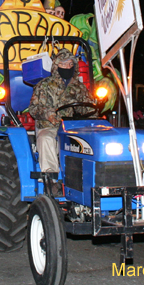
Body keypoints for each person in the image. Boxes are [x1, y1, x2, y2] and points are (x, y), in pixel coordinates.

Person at [27, 49, 92, 193]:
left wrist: (95, 106)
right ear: (56, 66)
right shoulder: (44, 86)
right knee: (46, 139)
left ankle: (87, 180)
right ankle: (51, 179)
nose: (68, 67)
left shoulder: (79, 88)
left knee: (89, 142)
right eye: (63, 64)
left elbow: (87, 109)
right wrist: (48, 113)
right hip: (50, 126)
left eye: (70, 64)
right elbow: (33, 109)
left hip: (73, 126)